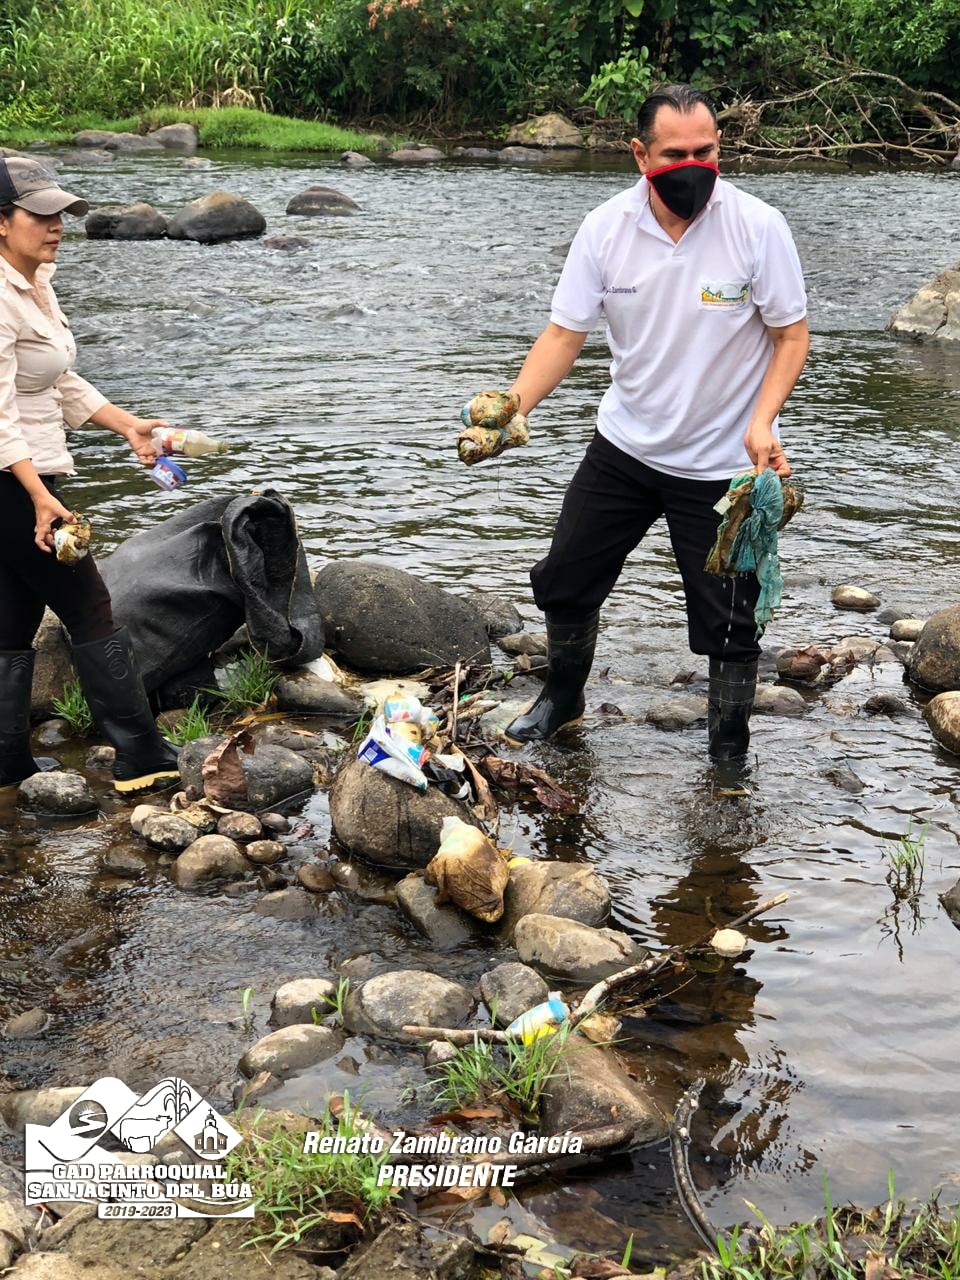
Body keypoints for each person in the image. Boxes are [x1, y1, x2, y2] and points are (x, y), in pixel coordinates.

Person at [482, 84, 809, 766]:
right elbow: (564, 334)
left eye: (705, 152)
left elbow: (790, 336)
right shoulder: (606, 229)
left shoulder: (758, 226)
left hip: (722, 465)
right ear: (639, 154)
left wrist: (763, 421)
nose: (693, 168)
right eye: (675, 155)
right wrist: (512, 407)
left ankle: (728, 753)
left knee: (731, 621)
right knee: (565, 578)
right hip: (625, 448)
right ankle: (563, 699)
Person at [0, 157, 180, 793]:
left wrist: (128, 426)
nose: (57, 226)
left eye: (61, 215)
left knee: (13, 612)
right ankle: (141, 756)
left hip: (27, 472)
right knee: (89, 604)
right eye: (40, 216)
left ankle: (6, 763)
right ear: (1, 222)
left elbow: (58, 378)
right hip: (13, 476)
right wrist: (38, 496)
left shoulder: (35, 281)